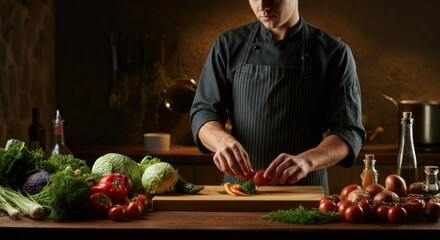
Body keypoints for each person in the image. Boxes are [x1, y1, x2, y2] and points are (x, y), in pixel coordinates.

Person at [190, 0, 366, 195]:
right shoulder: (228, 45)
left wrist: (307, 161)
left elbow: (348, 131)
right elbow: (203, 112)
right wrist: (220, 140)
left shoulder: (334, 52)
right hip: (239, 191)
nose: (263, 5)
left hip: (305, 192)